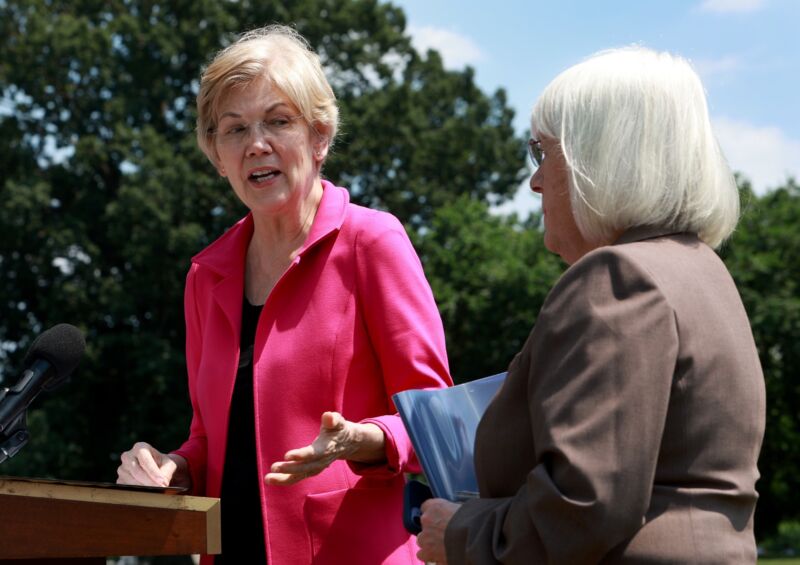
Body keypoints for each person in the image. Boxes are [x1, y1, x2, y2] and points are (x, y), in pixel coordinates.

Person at [116, 25, 452, 565]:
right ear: (216, 154)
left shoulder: (373, 241)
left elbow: (437, 419)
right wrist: (171, 466)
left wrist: (360, 439)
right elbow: (210, 440)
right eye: (234, 129)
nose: (256, 144)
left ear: (320, 137)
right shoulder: (206, 275)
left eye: (278, 121)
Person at [416, 46, 766, 564]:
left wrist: (462, 533)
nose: (534, 180)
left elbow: (582, 503)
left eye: (542, 152)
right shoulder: (699, 271)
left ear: (600, 156)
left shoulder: (619, 278)